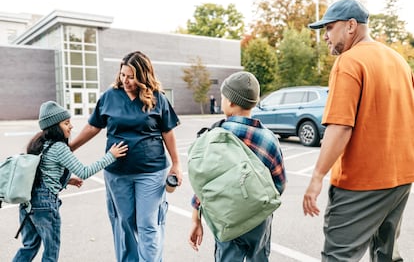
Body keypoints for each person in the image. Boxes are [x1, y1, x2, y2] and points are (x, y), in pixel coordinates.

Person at [303, 0, 414, 261]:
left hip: (361, 183)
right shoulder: (399, 61)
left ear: (351, 26)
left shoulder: (349, 62)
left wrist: (317, 176)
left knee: (339, 256)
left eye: (329, 28)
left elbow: (340, 126)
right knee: (386, 254)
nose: (326, 37)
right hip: (400, 180)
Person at [70, 51, 183, 262]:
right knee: (125, 222)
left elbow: (168, 132)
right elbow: (94, 126)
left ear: (143, 75)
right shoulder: (109, 97)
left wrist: (176, 163)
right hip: (117, 173)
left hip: (151, 171)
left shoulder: (158, 98)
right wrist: (71, 147)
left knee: (148, 223)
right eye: (123, 75)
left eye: (131, 76)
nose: (126, 80)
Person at [188, 71, 286, 261]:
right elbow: (280, 184)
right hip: (258, 219)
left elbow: (204, 183)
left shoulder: (214, 137)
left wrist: (196, 218)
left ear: (231, 102)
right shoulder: (268, 139)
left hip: (226, 217)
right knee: (259, 256)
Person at [13, 101, 127, 262]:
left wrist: (68, 181)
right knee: (51, 252)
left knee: (29, 247)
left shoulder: (39, 144)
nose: (71, 126)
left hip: (27, 204)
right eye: (66, 123)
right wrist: (111, 156)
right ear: (54, 126)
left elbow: (43, 174)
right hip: (45, 205)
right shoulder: (59, 147)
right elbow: (84, 171)